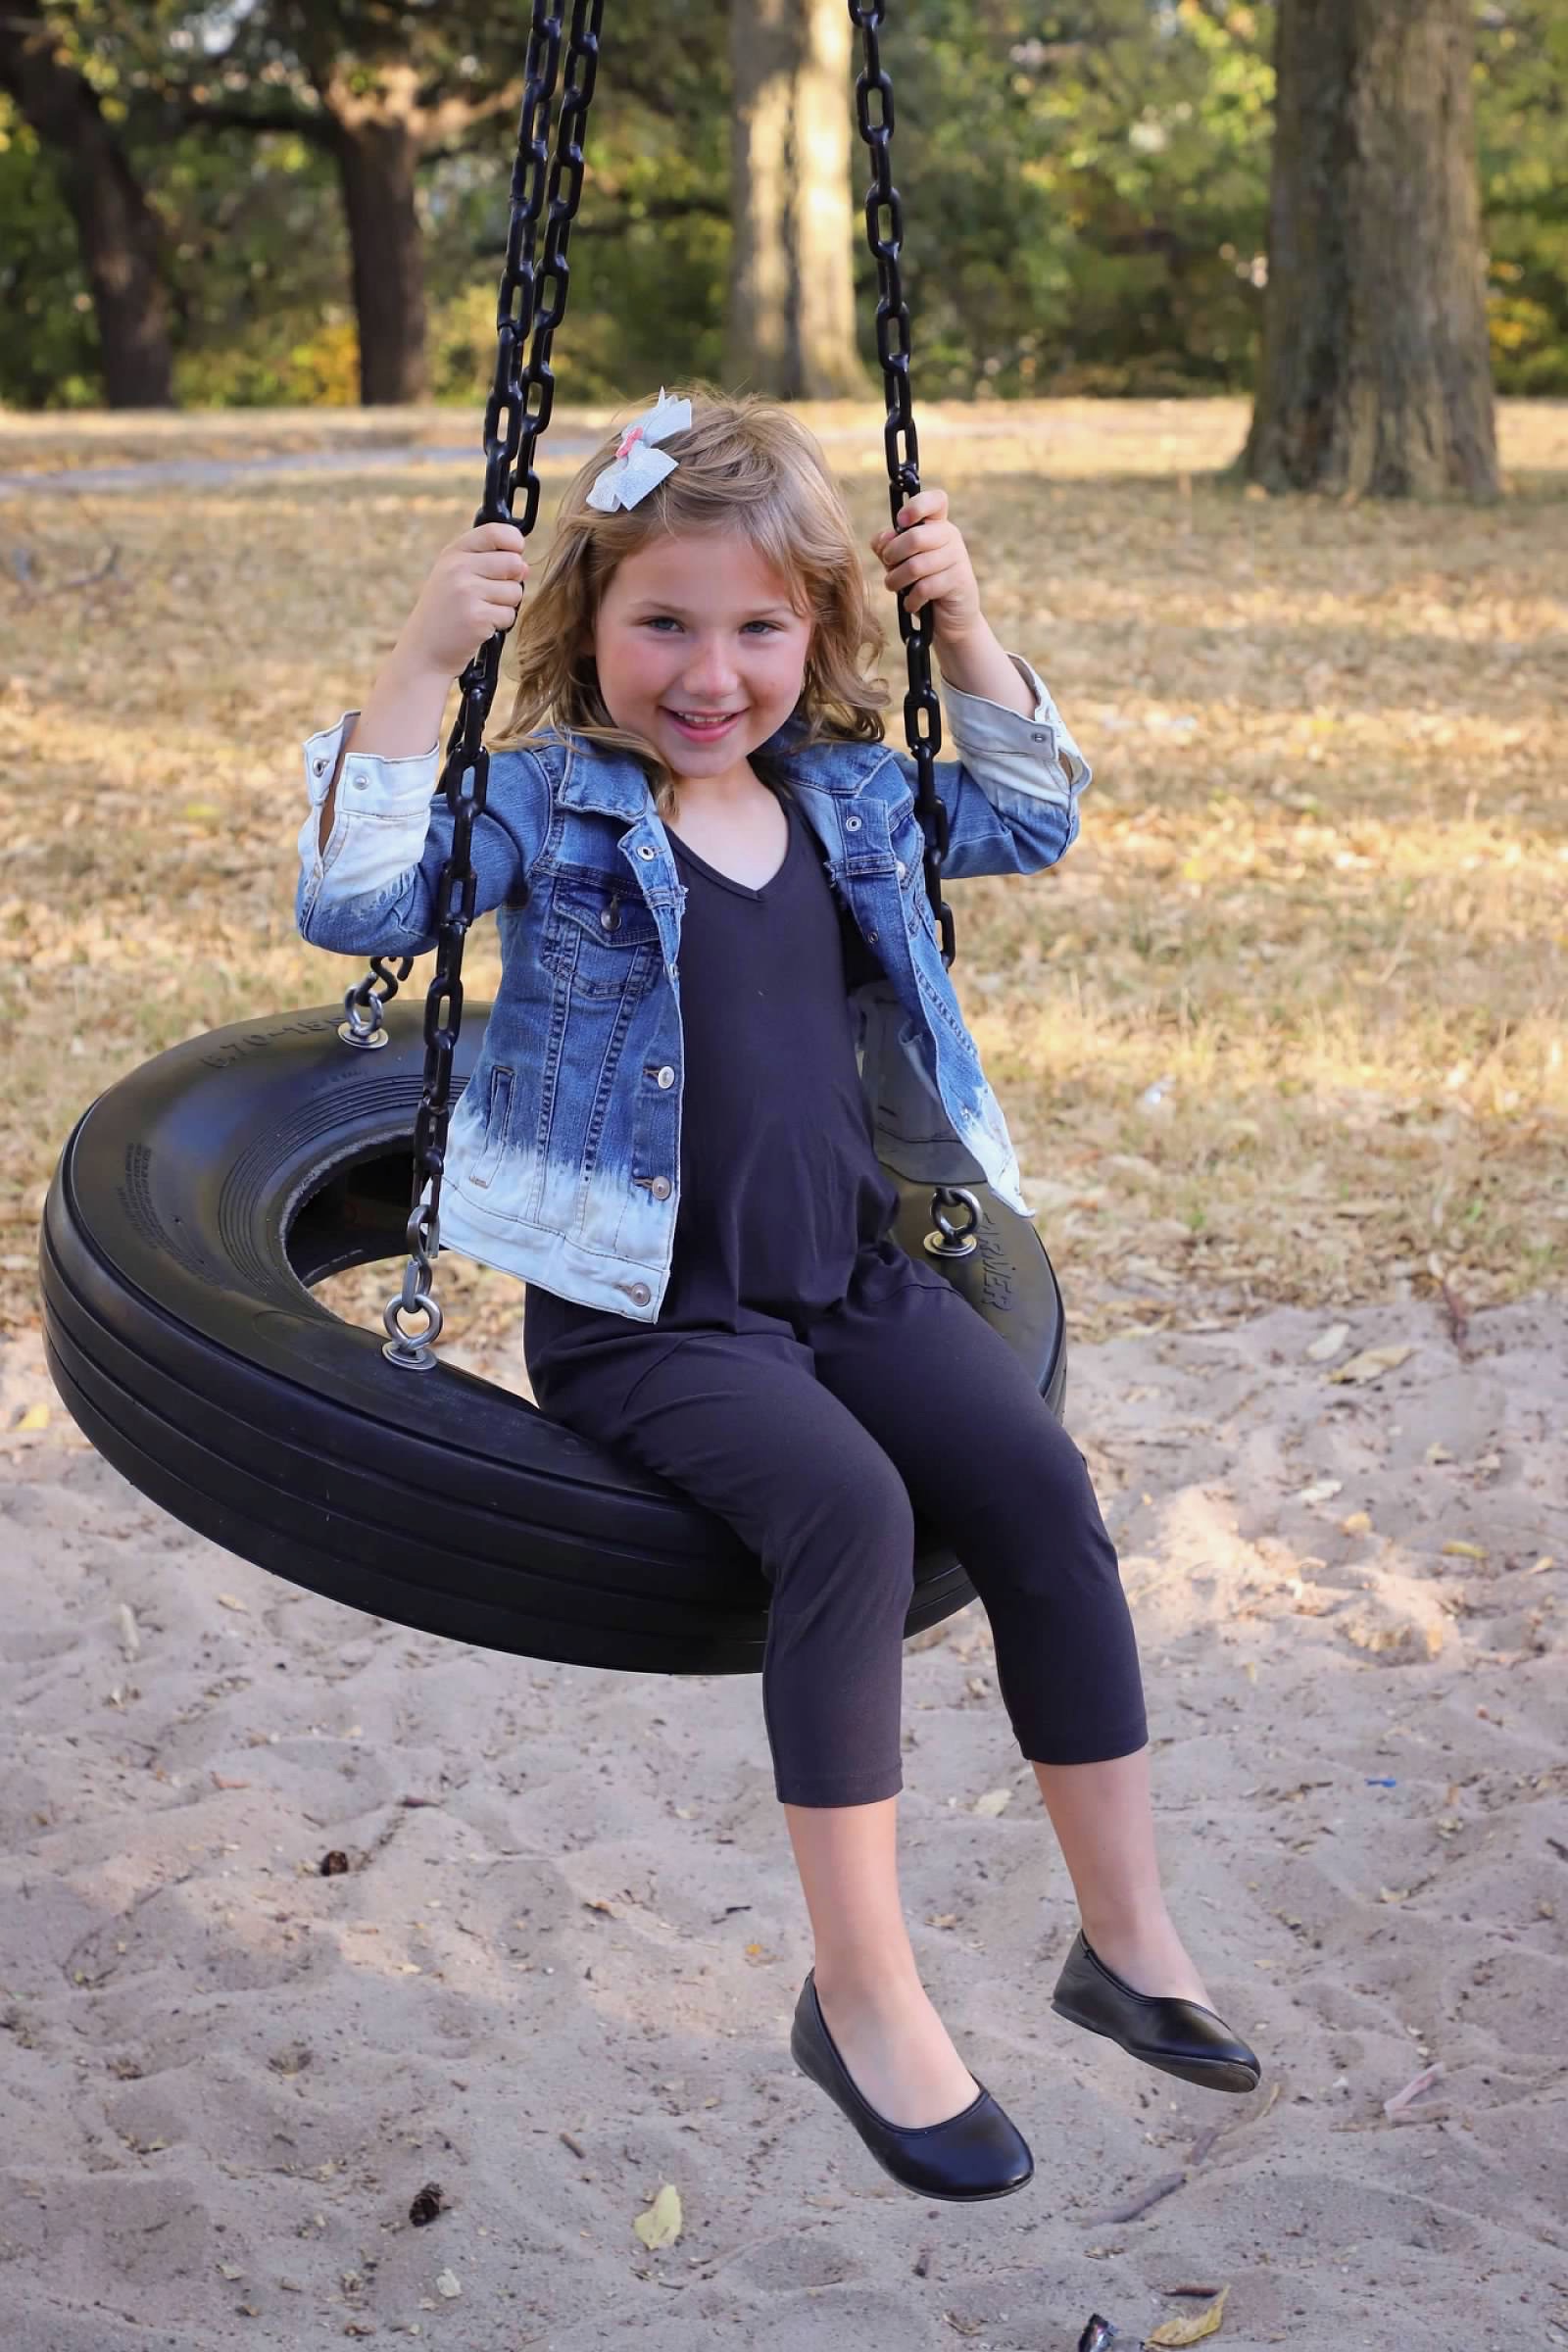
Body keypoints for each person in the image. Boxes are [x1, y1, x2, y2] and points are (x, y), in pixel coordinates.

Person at [294, 383, 1260, 2202]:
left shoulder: (851, 795)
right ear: (586, 622)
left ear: (818, 632)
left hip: (852, 1282)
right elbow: (360, 902)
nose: (710, 672)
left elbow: (1035, 817)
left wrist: (965, 623)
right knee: (850, 1512)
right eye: (663, 622)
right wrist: (421, 663)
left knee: (1041, 1485)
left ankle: (1126, 1937)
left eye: (757, 627)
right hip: (646, 1322)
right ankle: (863, 1993)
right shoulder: (550, 808)